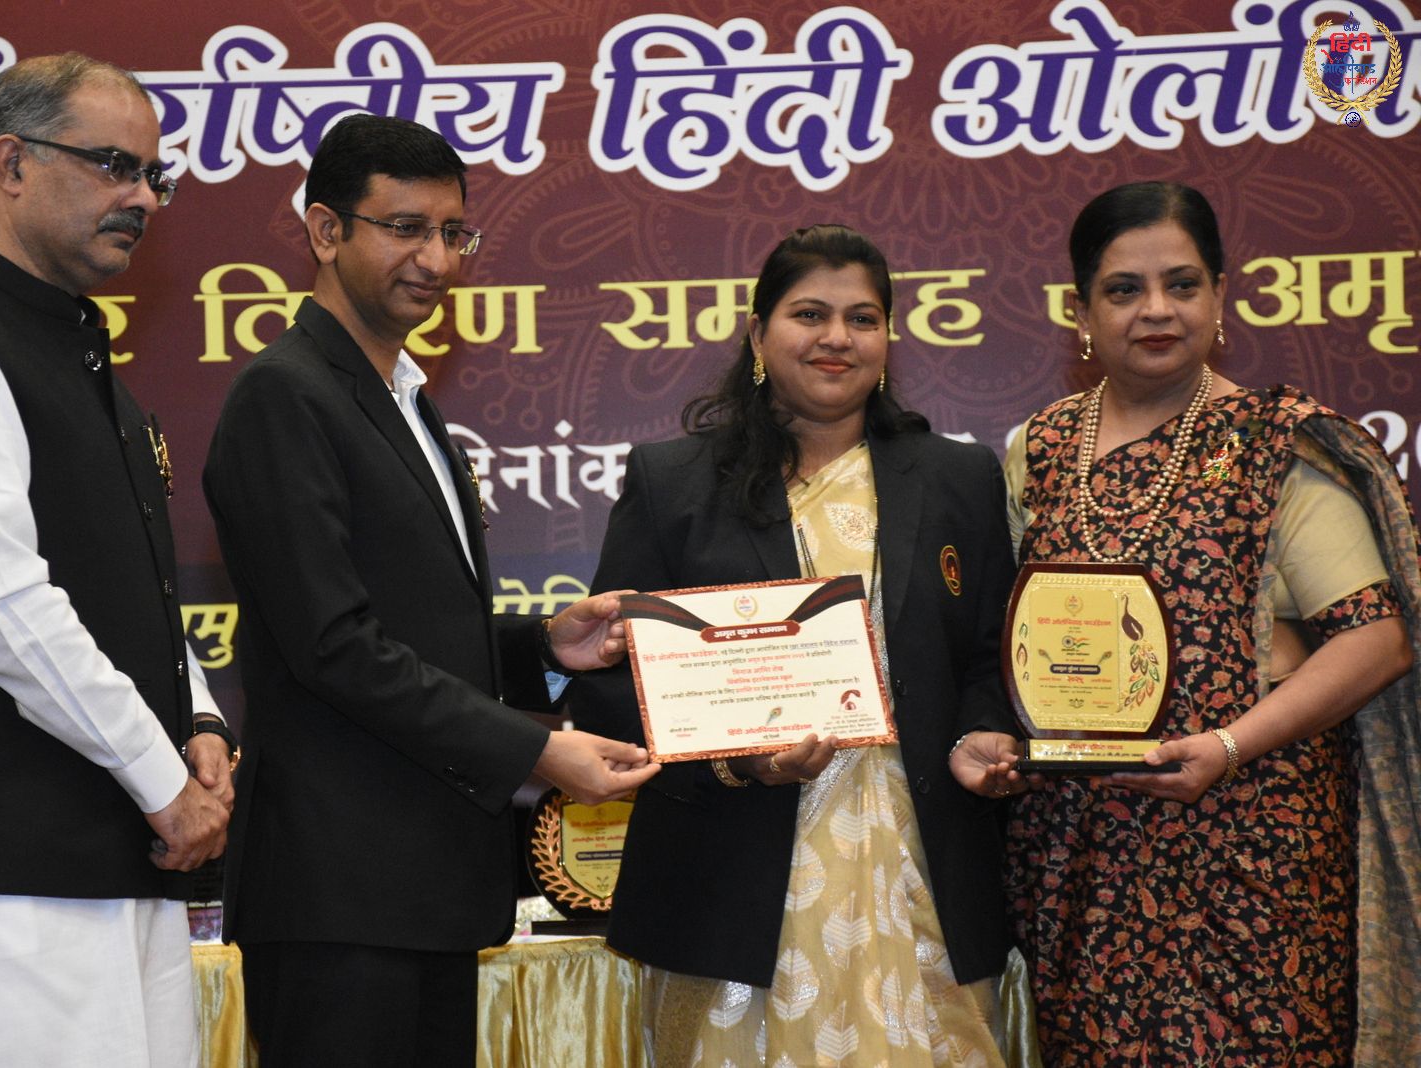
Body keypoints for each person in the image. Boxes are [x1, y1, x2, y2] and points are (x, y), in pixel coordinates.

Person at [201, 113, 658, 1067]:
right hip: (336, 893)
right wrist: (540, 749)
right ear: (326, 231)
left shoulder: (408, 402)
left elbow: (413, 626)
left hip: (423, 886)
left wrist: (544, 647)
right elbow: (333, 647)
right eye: (405, 228)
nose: (438, 260)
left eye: (454, 233)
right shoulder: (285, 395)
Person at [950, 181, 1421, 1065]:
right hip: (1080, 859)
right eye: (1124, 289)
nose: (1156, 309)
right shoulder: (1039, 447)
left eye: (1182, 283)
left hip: (1253, 845)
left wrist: (1229, 747)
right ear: (1081, 312)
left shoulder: (1275, 441)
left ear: (1220, 295)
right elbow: (1006, 635)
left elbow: (1378, 638)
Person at [0, 53, 234, 1067]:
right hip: (2, 886)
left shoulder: (77, 351)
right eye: (114, 165)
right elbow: (0, 606)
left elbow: (130, 588)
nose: (142, 198)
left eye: (154, 175)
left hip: (121, 858)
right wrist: (163, 780)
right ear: (11, 164)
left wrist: (195, 722)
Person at [567, 225, 1021, 1066]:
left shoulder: (957, 478)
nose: (837, 337)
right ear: (758, 333)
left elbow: (993, 656)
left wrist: (980, 732)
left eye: (863, 318)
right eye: (810, 314)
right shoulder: (674, 483)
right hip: (730, 885)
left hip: (919, 871)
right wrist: (739, 760)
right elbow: (613, 681)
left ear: (888, 336)